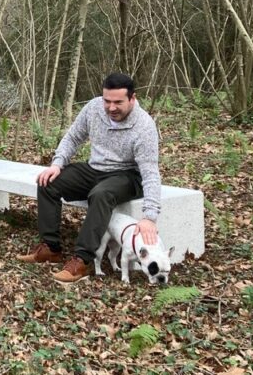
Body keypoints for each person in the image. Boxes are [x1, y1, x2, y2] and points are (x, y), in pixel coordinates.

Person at [16, 72, 161, 283]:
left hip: (126, 175)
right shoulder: (93, 108)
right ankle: (50, 248)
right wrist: (57, 164)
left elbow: (150, 172)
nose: (111, 108)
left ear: (132, 98)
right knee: (48, 182)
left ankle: (82, 261)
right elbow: (73, 136)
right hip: (94, 169)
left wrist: (149, 216)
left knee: (100, 194)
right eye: (107, 101)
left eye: (118, 102)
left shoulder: (144, 126)